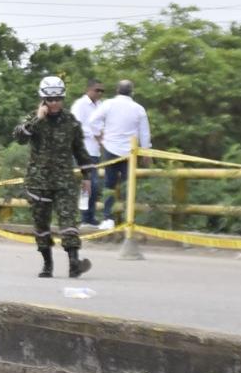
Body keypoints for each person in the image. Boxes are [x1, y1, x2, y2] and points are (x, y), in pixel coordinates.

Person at [15, 75, 95, 278]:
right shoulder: (34, 119)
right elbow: (20, 137)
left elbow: (80, 150)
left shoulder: (70, 121)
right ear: (43, 99)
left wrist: (87, 176)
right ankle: (47, 264)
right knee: (41, 224)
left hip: (64, 180)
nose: (54, 103)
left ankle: (74, 262)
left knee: (69, 220)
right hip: (38, 181)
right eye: (50, 100)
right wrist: (37, 119)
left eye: (58, 99)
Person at [86, 79, 151, 229]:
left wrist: (99, 136)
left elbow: (92, 121)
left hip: (110, 148)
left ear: (117, 90)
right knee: (130, 185)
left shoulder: (108, 104)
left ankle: (108, 218)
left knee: (109, 184)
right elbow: (144, 132)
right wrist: (146, 152)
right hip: (130, 152)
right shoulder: (138, 108)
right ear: (132, 91)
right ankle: (130, 217)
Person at [69, 78, 106, 226]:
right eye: (97, 90)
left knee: (93, 186)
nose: (99, 93)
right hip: (82, 149)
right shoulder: (80, 105)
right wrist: (95, 134)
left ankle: (89, 217)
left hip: (95, 151)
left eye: (102, 91)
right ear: (88, 90)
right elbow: (75, 126)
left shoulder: (101, 106)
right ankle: (85, 217)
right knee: (89, 184)